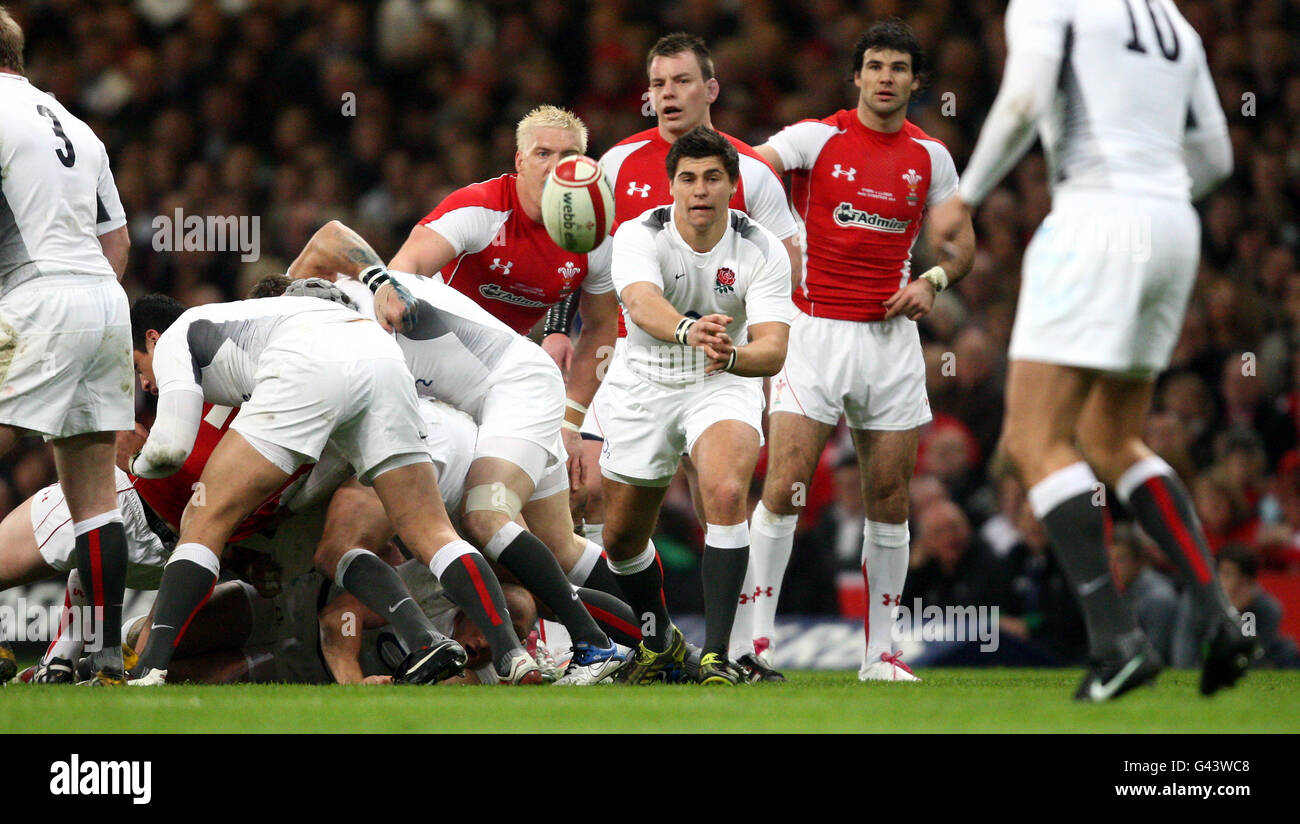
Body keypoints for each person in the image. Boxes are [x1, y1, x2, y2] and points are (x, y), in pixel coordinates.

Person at [928, 0, 1252, 699]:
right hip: (1171, 225)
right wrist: (1153, 194)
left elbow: (1022, 100)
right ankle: (1217, 615)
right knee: (1112, 438)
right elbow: (1219, 155)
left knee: (1031, 439)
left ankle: (1118, 641)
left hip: (1095, 218)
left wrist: (968, 197)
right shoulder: (1174, 23)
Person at [123, 290, 541, 686]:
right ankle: (510, 654)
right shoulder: (277, 316)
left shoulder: (179, 334)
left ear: (152, 339)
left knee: (204, 518)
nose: (143, 383)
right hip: (383, 359)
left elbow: (168, 449)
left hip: (308, 361)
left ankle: (149, 667)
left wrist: (132, 461)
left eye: (138, 366)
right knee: (430, 530)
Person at [288, 222, 627, 685]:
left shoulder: (350, 329)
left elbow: (328, 233)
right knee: (557, 554)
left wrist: (380, 279)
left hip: (501, 399)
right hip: (497, 400)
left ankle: (578, 646)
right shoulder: (332, 308)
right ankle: (661, 641)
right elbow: (322, 246)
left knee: (483, 518)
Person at [744, 20, 974, 681]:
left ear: (915, 82)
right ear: (858, 76)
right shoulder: (817, 138)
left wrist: (933, 279)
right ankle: (753, 644)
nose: (885, 77)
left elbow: (961, 244)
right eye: (875, 65)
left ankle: (880, 653)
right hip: (811, 332)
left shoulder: (931, 157)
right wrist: (774, 247)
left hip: (889, 340)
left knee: (890, 493)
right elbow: (747, 171)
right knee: (785, 485)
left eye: (898, 68)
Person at [568, 34, 800, 600]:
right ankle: (617, 641)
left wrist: (737, 333)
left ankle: (738, 647)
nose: (668, 95)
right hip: (628, 359)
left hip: (720, 362)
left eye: (682, 81)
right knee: (587, 496)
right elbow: (579, 264)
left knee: (717, 498)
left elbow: (788, 267)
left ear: (710, 88)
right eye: (657, 84)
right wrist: (559, 334)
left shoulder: (752, 171)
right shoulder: (615, 165)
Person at [598, 127, 791, 685]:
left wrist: (731, 357)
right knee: (621, 539)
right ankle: (658, 640)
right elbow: (640, 303)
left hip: (721, 377)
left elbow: (774, 349)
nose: (699, 190)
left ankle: (719, 655)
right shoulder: (640, 233)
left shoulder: (761, 247)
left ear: (733, 185)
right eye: (688, 179)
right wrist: (688, 331)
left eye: (712, 178)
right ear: (671, 186)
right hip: (646, 380)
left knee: (728, 492)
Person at [382, 106, 622, 493]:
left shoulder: (600, 236)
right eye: (543, 154)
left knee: (579, 488)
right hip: (432, 356)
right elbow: (403, 273)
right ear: (520, 161)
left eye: (568, 157)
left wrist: (571, 419)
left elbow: (600, 328)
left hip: (504, 372)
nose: (555, 167)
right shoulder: (480, 206)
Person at [0, 5, 135, 684]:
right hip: (104, 302)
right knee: (94, 496)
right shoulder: (76, 125)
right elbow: (119, 243)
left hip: (35, 293)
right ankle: (105, 657)